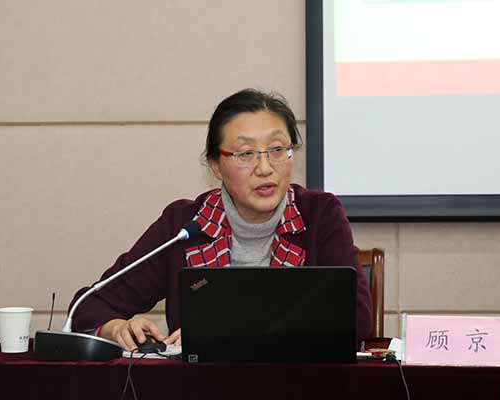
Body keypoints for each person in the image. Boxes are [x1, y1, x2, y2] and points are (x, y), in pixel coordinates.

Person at [70, 88, 373, 351]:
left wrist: (223, 332)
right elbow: (88, 305)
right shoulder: (186, 225)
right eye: (246, 154)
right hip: (203, 388)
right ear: (215, 165)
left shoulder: (319, 215)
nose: (265, 168)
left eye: (277, 149)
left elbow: (357, 320)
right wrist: (114, 328)